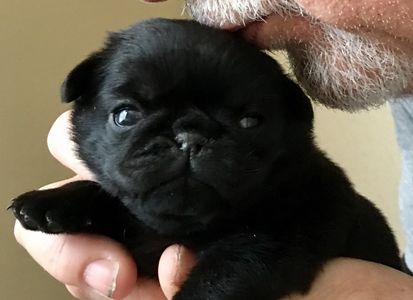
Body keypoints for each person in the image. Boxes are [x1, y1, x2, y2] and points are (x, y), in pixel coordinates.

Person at [13, 0, 413, 299]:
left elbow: (268, 253)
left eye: (247, 121)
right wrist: (98, 199)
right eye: (127, 115)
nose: (188, 143)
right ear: (82, 108)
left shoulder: (311, 198)